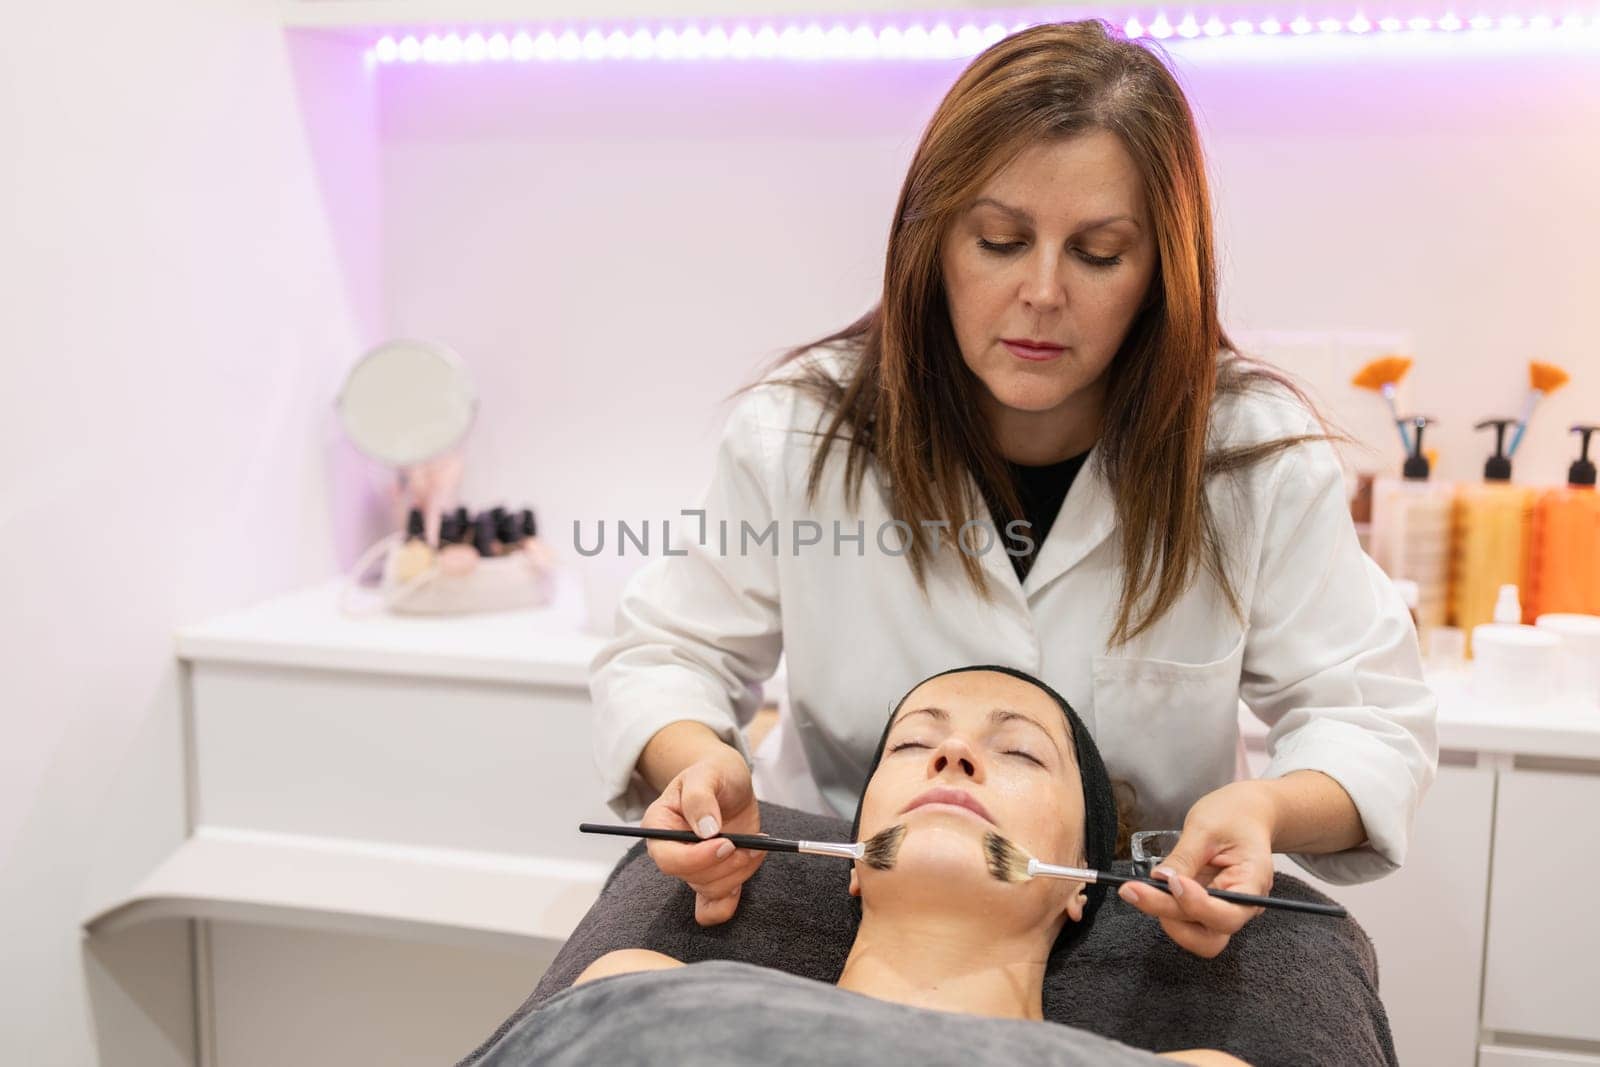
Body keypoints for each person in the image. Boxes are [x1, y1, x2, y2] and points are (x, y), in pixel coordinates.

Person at [589, 18, 1437, 957]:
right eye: (998, 240)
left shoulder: (1251, 455)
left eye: (1100, 252)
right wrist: (702, 762)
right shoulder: (802, 432)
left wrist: (1265, 806)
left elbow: (1368, 716)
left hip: (1133, 932)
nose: (1042, 292)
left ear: (1162, 272)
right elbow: (667, 654)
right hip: (844, 907)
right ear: (933, 243)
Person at [482, 667, 1252, 1066]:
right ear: (853, 862)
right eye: (914, 744)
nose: (953, 755)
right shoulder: (636, 987)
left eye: (1018, 751)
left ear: (1083, 881)